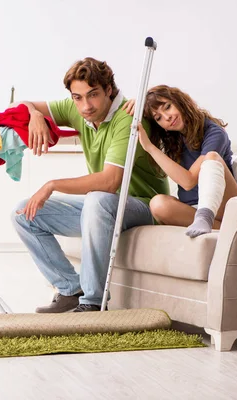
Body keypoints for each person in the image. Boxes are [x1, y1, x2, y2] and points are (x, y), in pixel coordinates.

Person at [10, 57, 170, 313]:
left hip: (144, 207)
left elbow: (110, 181)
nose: (85, 106)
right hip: (103, 209)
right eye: (78, 97)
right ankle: (70, 290)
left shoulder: (127, 118)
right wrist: (34, 115)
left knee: (97, 198)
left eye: (93, 95)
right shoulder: (77, 108)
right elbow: (19, 104)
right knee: (23, 213)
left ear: (109, 90)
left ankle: (92, 302)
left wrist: (52, 184)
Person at [122, 85, 237, 238]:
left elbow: (189, 181)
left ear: (179, 101)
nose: (167, 117)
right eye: (158, 118)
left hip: (224, 205)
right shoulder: (174, 140)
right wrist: (138, 108)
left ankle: (206, 218)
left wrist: (150, 148)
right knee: (157, 204)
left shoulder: (214, 132)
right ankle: (224, 229)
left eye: (168, 107)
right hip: (193, 209)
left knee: (211, 157)